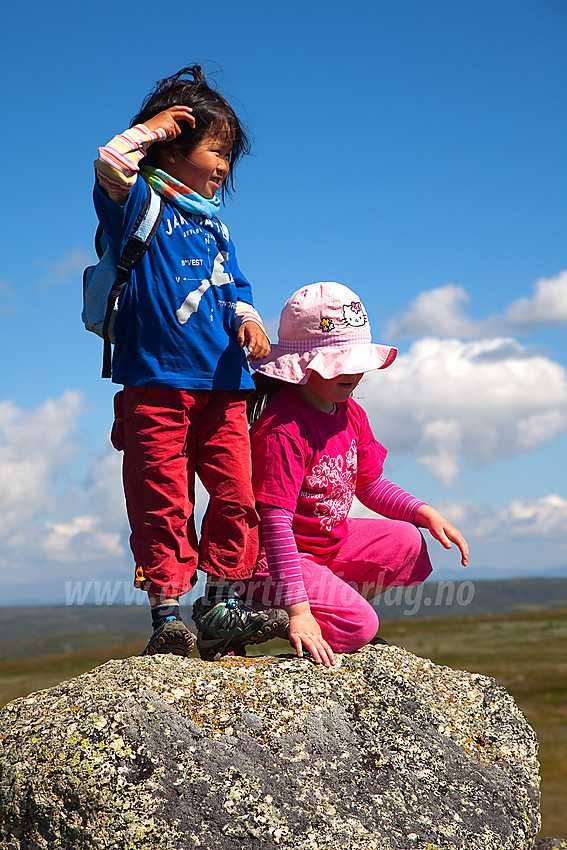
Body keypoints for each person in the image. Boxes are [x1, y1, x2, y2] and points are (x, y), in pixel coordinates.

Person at [93, 65, 288, 659]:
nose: (225, 165)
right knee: (161, 496)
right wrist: (149, 128)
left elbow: (236, 286)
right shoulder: (141, 202)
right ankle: (167, 615)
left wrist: (249, 320)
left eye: (230, 153)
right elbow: (109, 163)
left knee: (236, 497)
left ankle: (223, 604)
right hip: (155, 382)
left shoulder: (217, 229)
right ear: (174, 145)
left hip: (225, 384)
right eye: (216, 149)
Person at [245, 281, 469, 667]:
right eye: (339, 365)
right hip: (270, 559)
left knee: (408, 545)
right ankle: (260, 615)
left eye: (356, 364)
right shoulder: (285, 427)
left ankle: (327, 604)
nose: (352, 374)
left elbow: (370, 484)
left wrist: (423, 512)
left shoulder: (350, 413)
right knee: (360, 629)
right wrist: (299, 614)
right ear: (303, 364)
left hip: (324, 547)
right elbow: (274, 523)